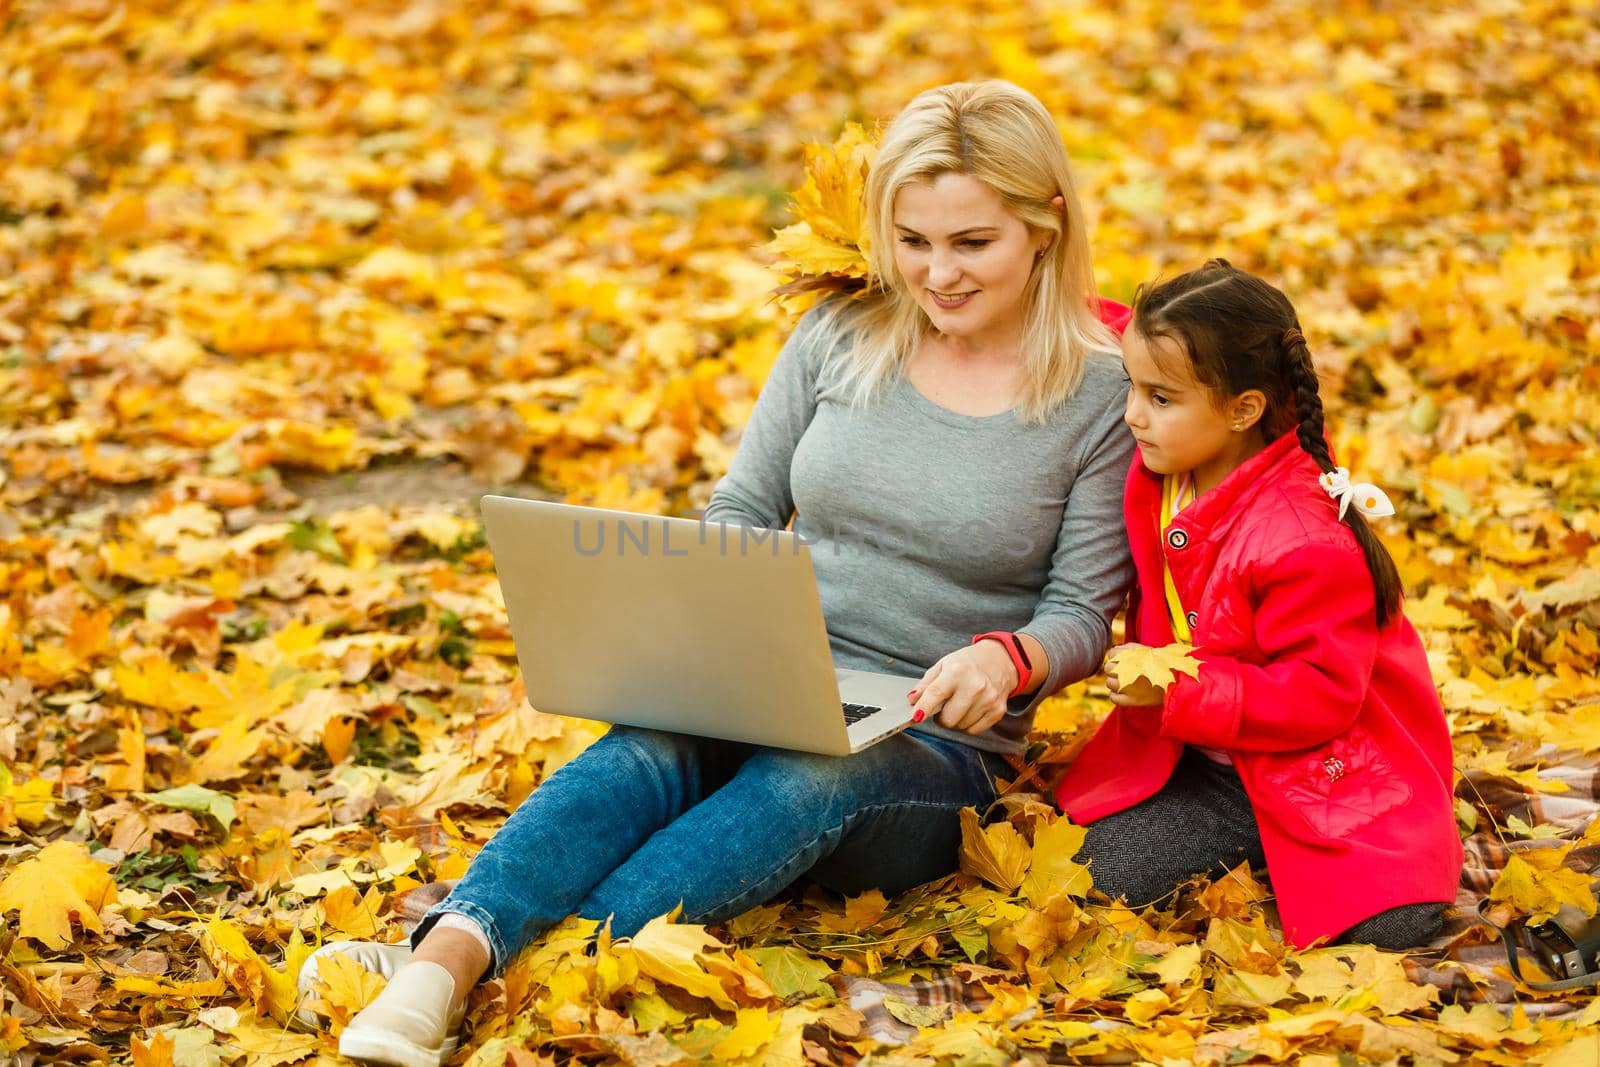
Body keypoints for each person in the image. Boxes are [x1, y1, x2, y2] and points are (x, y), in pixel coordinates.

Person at [298, 79, 1138, 1067]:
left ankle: (518, 970)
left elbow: (1083, 610)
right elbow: (740, 511)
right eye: (912, 241)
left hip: (930, 744)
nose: (936, 273)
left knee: (805, 775)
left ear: (1044, 225)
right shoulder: (844, 332)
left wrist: (1006, 659)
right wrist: (716, 624)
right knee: (646, 746)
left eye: (970, 244)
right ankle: (439, 961)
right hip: (769, 670)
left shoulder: (1098, 387)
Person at [1054, 259, 1462, 950]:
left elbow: (1321, 695)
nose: (1132, 414)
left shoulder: (1303, 538)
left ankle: (1317, 862)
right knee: (1092, 874)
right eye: (1132, 386)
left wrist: (1177, 687)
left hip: (1324, 771)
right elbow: (1099, 320)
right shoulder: (1177, 456)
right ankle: (1267, 856)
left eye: (1159, 397)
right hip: (1213, 765)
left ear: (1245, 407)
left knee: (1385, 926)